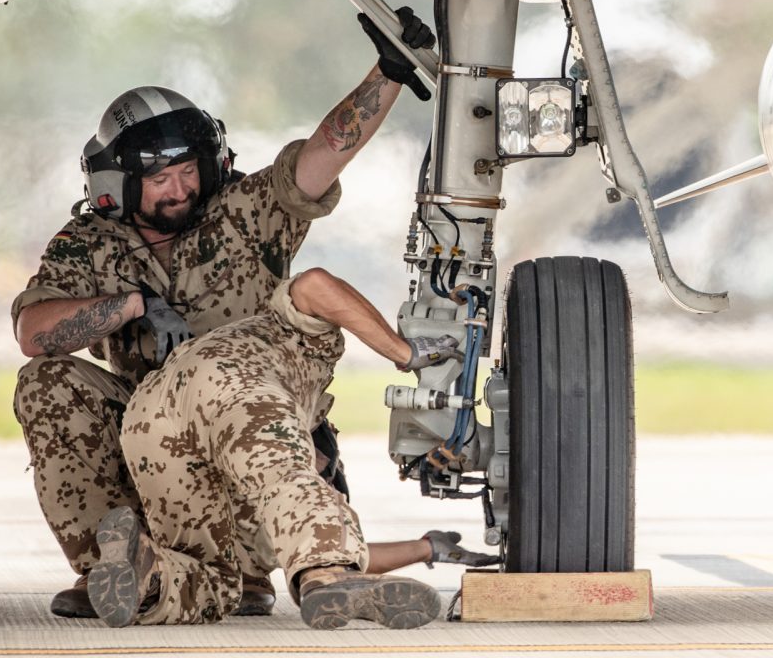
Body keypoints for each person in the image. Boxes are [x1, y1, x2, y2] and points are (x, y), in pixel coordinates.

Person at [11, 7, 435, 620]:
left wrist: (389, 73)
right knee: (47, 383)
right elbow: (34, 333)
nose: (180, 188)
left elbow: (323, 155)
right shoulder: (88, 245)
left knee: (221, 380)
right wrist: (129, 306)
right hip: (155, 445)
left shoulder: (247, 211)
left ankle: (270, 569)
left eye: (189, 171)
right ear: (119, 184)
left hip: (255, 431)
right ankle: (118, 570)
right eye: (161, 179)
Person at [89, 269, 488, 629]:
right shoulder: (294, 335)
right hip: (232, 376)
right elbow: (315, 284)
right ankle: (328, 576)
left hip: (148, 416)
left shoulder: (266, 521)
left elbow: (350, 549)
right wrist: (405, 353)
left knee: (215, 578)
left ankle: (150, 574)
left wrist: (427, 548)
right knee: (287, 480)